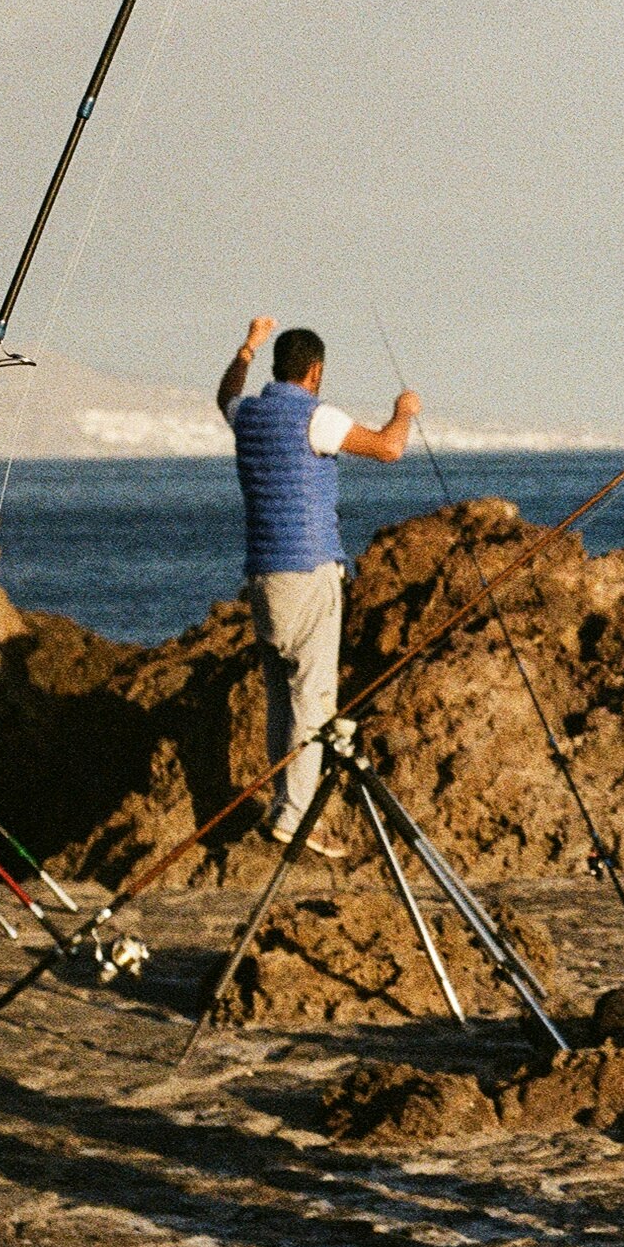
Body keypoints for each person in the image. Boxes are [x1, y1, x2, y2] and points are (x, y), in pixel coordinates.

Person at [213, 318, 417, 855]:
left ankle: (286, 801)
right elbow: (388, 449)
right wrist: (406, 411)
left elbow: (226, 393)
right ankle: (295, 816)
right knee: (313, 697)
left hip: (262, 576)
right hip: (308, 571)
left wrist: (248, 345)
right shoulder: (315, 417)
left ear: (278, 366)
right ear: (316, 370)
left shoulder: (249, 414)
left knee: (283, 698)